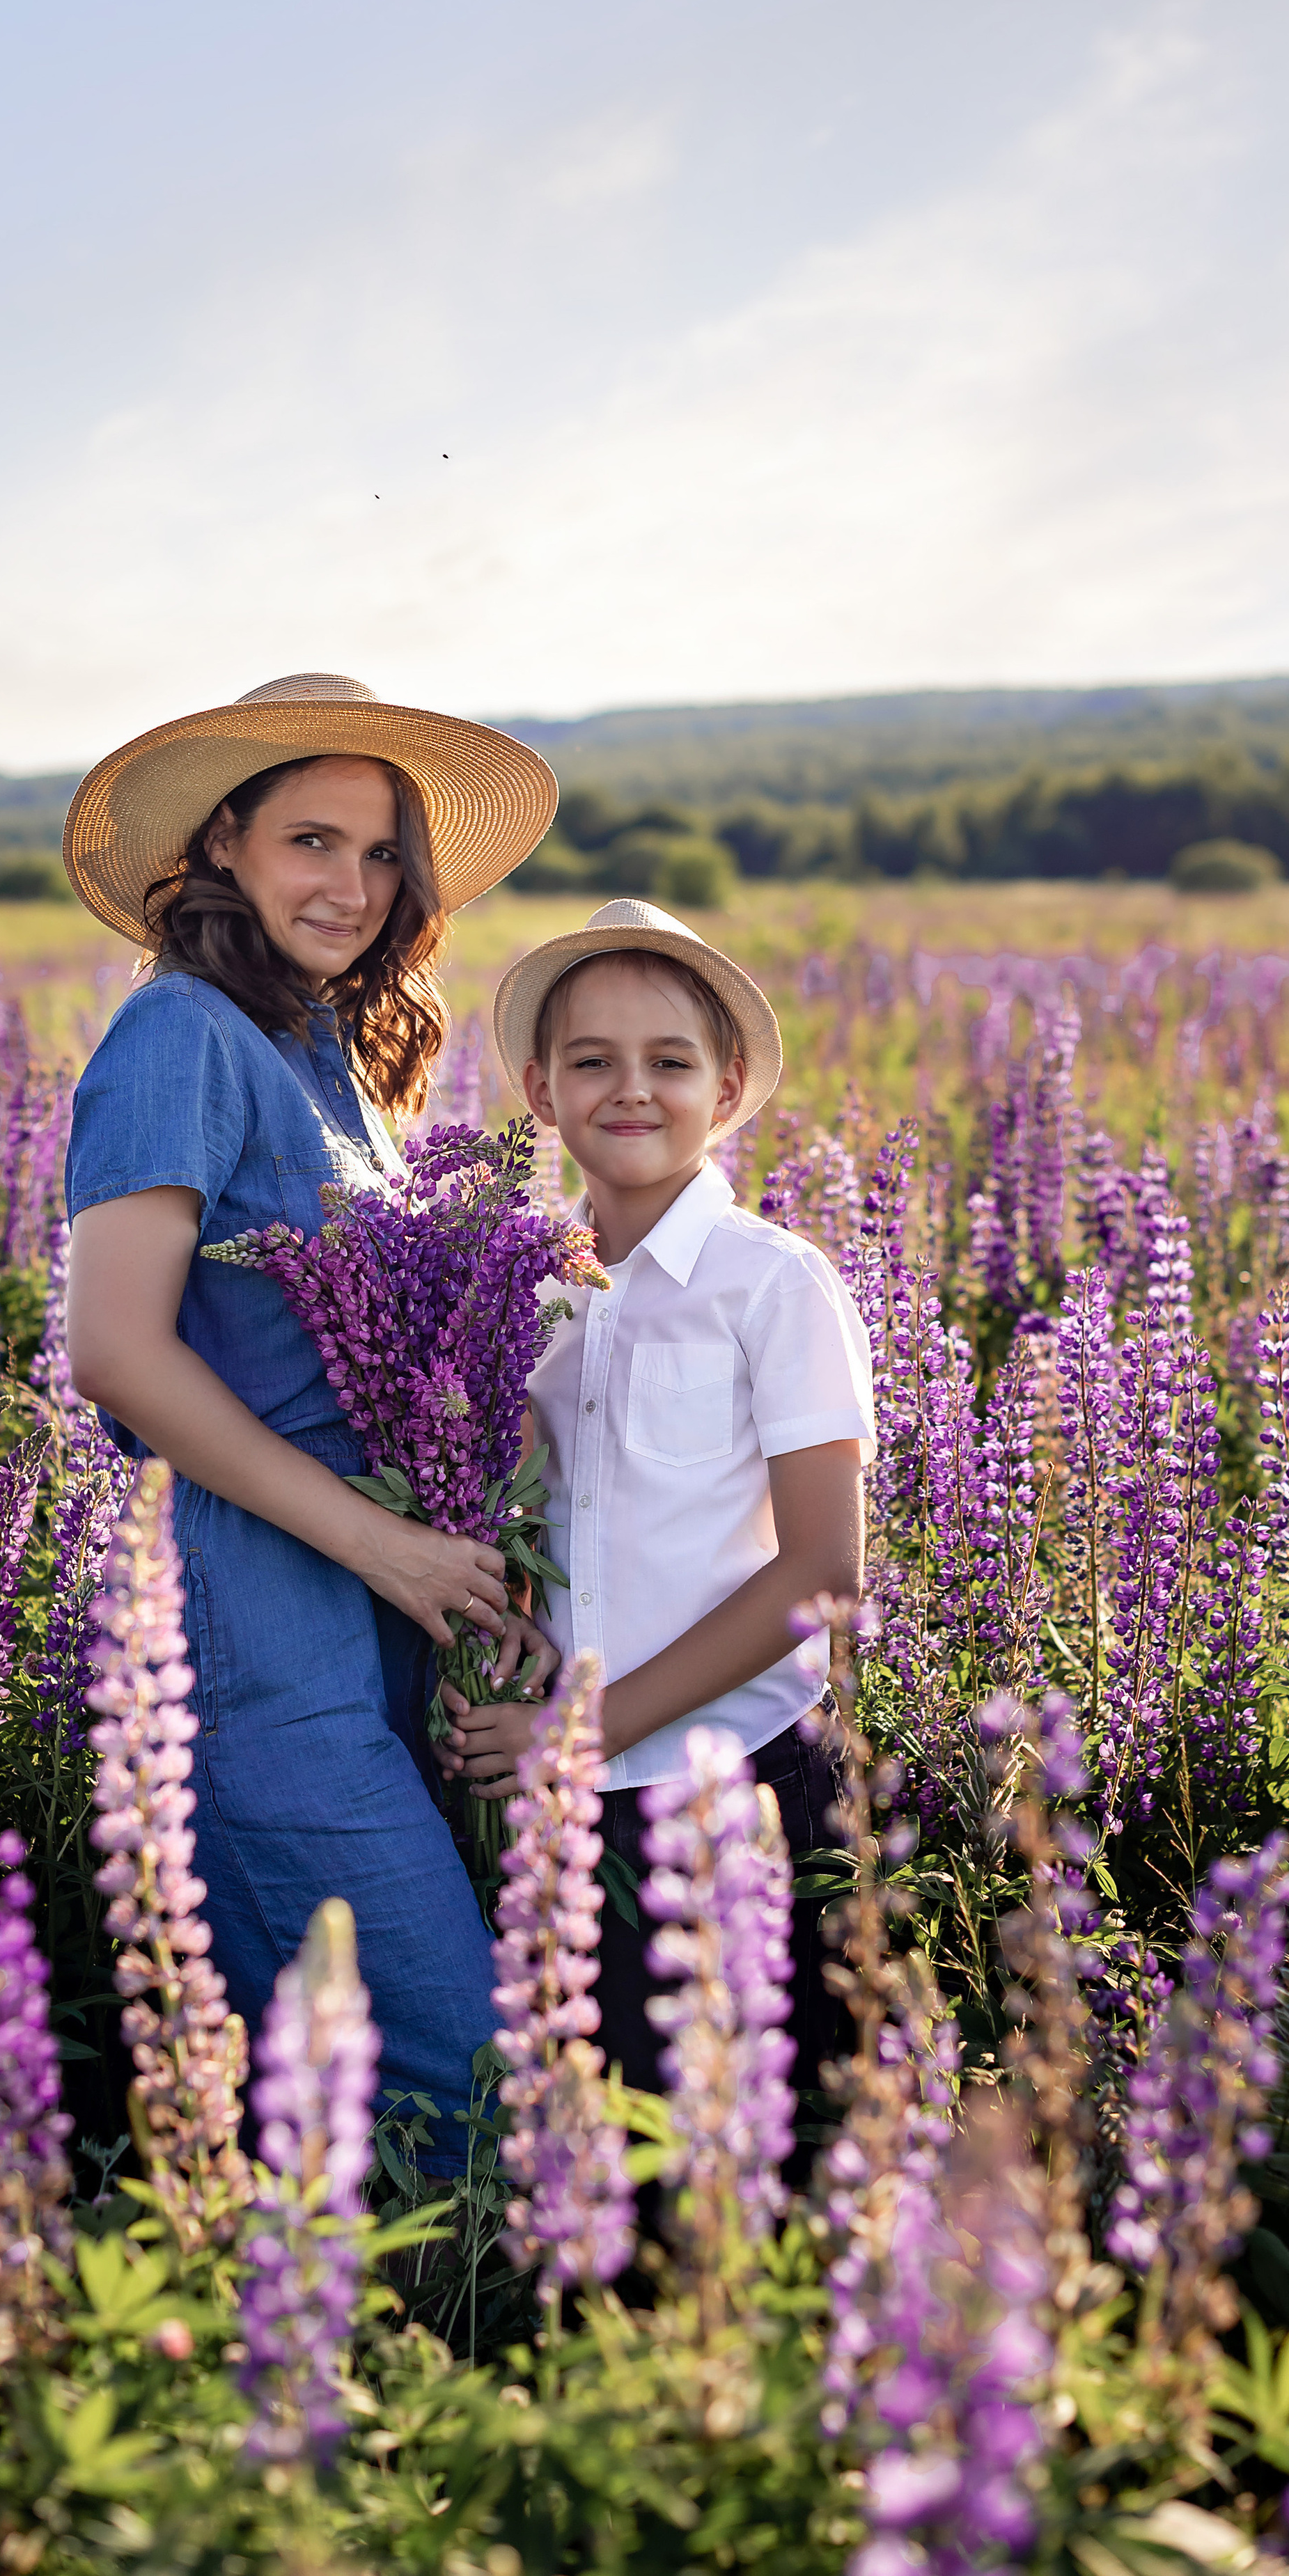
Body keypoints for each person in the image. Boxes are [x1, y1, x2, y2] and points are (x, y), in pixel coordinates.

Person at [61, 673, 559, 2174]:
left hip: (386, 1598)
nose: (351, 885)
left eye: (381, 851)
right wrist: (387, 1548)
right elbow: (115, 1353)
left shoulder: (331, 1050)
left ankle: (416, 2383)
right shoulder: (181, 1034)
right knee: (467, 2090)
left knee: (398, 2117)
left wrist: (475, 1565)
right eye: (310, 841)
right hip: (254, 1619)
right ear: (222, 844)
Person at [439, 896, 875, 2103]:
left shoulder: (773, 1285)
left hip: (743, 1786)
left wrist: (580, 1733)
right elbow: (564, 1529)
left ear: (727, 1088)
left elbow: (822, 1577)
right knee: (615, 2153)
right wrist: (524, 1624)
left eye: (669, 1062)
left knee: (766, 2153)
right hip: (584, 1806)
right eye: (593, 1062)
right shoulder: (537, 1293)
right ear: (540, 1089)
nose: (631, 1090)